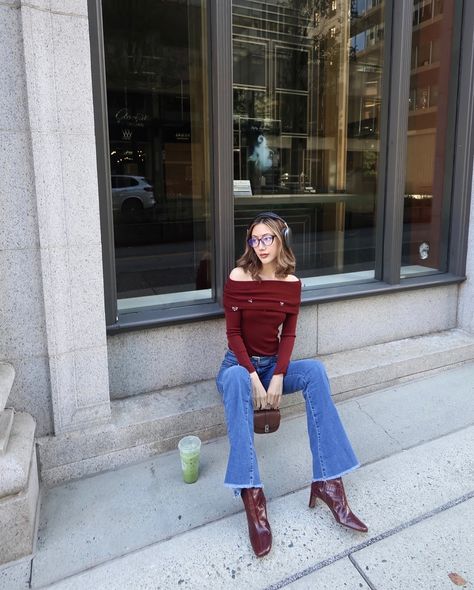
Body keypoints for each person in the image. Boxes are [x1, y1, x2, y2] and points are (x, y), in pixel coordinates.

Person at [216, 212, 368, 558]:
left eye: (267, 238)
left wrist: (279, 374)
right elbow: (233, 335)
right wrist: (254, 377)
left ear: (281, 239)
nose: (260, 246)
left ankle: (330, 483)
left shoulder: (292, 283)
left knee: (314, 371)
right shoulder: (238, 277)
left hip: (273, 369)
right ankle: (252, 496)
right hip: (237, 369)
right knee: (239, 377)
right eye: (254, 239)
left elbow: (290, 336)